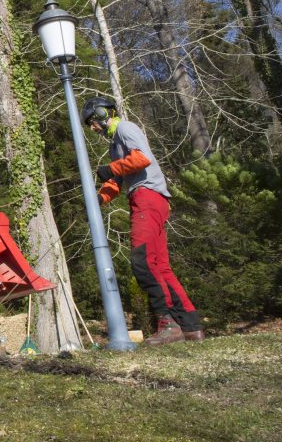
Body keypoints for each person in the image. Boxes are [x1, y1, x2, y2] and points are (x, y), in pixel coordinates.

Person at [83, 96, 204, 345]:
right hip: (147, 199)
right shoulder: (114, 145)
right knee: (160, 266)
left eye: (92, 122)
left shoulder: (126, 128)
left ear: (102, 114)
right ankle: (190, 326)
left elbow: (142, 158)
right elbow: (114, 184)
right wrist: (97, 200)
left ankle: (168, 323)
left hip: (147, 196)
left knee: (142, 261)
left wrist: (111, 168)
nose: (93, 129)